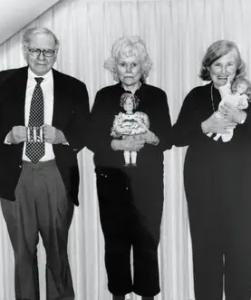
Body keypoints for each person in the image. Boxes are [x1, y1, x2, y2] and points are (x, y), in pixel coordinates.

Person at [0, 27, 90, 300]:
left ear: (56, 52)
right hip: (17, 178)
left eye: (48, 51)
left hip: (56, 176)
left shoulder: (75, 87)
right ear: (25, 49)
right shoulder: (3, 82)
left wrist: (63, 136)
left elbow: (86, 131)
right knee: (23, 253)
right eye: (36, 50)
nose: (41, 57)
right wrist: (6, 135)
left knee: (57, 251)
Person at [86, 36, 172, 300]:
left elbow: (168, 138)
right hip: (112, 180)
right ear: (116, 68)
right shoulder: (104, 96)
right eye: (123, 64)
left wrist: (151, 137)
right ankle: (118, 296)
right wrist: (115, 145)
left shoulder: (157, 96)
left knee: (147, 243)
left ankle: (147, 296)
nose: (129, 70)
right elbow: (91, 138)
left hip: (147, 182)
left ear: (143, 66)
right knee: (115, 243)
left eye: (134, 64)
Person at [172, 40, 251, 300]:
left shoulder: (249, 97)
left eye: (229, 63)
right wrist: (205, 126)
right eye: (217, 64)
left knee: (242, 258)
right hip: (202, 190)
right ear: (208, 66)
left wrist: (243, 119)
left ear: (238, 66)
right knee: (206, 257)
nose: (223, 70)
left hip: (242, 191)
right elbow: (177, 136)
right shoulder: (196, 96)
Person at [111, 92, 150, 166]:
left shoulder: (137, 116)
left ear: (134, 104)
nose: (127, 105)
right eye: (125, 103)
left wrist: (140, 123)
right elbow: (116, 126)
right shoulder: (121, 116)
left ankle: (134, 162)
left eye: (129, 103)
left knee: (133, 149)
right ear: (122, 104)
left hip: (134, 135)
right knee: (126, 149)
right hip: (125, 135)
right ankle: (127, 163)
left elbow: (145, 128)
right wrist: (120, 129)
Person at [207, 76, 251, 142]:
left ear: (246, 90)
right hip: (222, 111)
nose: (241, 89)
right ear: (236, 86)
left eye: (243, 88)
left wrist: (241, 112)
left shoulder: (243, 98)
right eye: (239, 86)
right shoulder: (229, 94)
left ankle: (217, 136)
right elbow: (223, 94)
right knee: (217, 119)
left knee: (227, 127)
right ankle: (210, 133)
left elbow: (245, 106)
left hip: (231, 116)